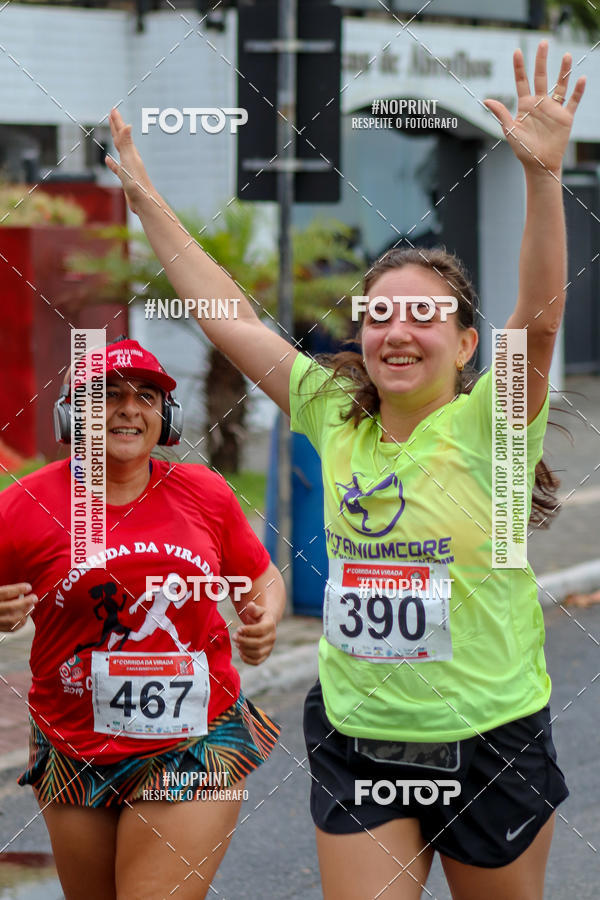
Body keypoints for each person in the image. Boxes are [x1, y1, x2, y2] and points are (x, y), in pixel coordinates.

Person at [102, 40, 585, 898]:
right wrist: (147, 201)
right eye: (379, 315)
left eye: (423, 317)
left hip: (490, 733)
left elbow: (540, 320)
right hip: (361, 733)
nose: (396, 331)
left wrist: (543, 176)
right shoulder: (331, 410)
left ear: (464, 345)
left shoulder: (495, 421)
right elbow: (226, 314)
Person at [0, 337, 285, 900]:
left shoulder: (204, 492)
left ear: (165, 418)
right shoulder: (24, 504)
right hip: (72, 740)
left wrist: (265, 618)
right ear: (71, 414)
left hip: (194, 740)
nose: (130, 409)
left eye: (147, 397)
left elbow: (261, 573)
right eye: (108, 395)